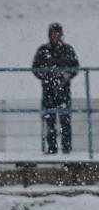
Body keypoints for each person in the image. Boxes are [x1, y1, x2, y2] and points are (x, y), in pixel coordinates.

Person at [32, 23, 79, 154]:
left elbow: (75, 67)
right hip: (48, 92)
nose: (55, 36)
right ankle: (52, 148)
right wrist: (47, 77)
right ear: (50, 34)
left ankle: (66, 149)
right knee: (50, 120)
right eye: (53, 33)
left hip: (64, 91)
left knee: (65, 120)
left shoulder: (68, 49)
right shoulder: (43, 50)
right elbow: (35, 68)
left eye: (57, 33)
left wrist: (65, 76)